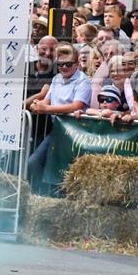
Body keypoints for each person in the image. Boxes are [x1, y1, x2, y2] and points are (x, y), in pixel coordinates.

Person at [27, 42, 91, 194]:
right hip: (57, 130)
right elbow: (47, 101)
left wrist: (46, 109)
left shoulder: (83, 81)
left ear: (76, 64)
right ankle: (40, 197)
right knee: (33, 163)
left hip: (75, 133)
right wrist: (37, 104)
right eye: (60, 64)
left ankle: (55, 199)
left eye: (68, 64)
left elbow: (76, 106)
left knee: (64, 170)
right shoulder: (56, 78)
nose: (64, 67)